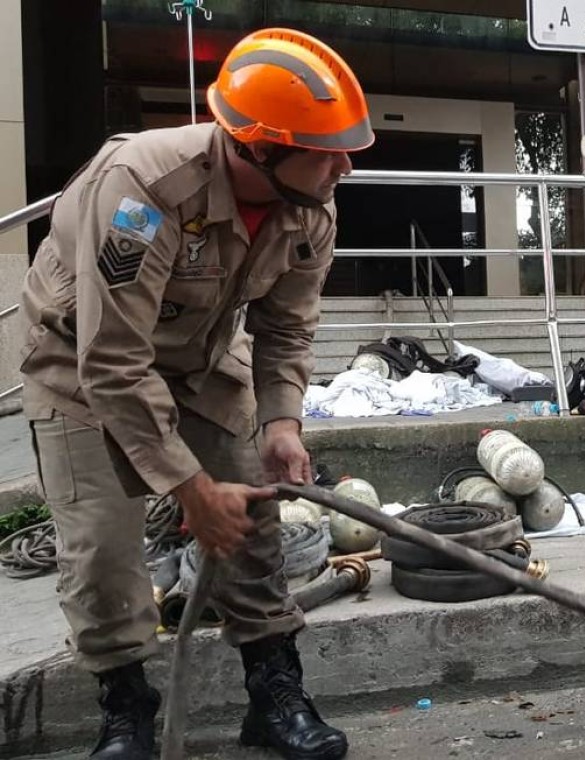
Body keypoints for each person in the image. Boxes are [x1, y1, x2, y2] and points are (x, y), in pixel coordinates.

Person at [19, 28, 374, 760]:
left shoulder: (311, 207)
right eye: (327, 149)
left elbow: (286, 329)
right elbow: (112, 362)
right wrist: (188, 488)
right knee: (102, 553)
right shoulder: (141, 190)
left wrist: (282, 422)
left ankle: (275, 692)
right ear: (260, 149)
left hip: (201, 363)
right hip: (80, 367)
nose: (344, 164)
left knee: (253, 523)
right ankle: (127, 710)